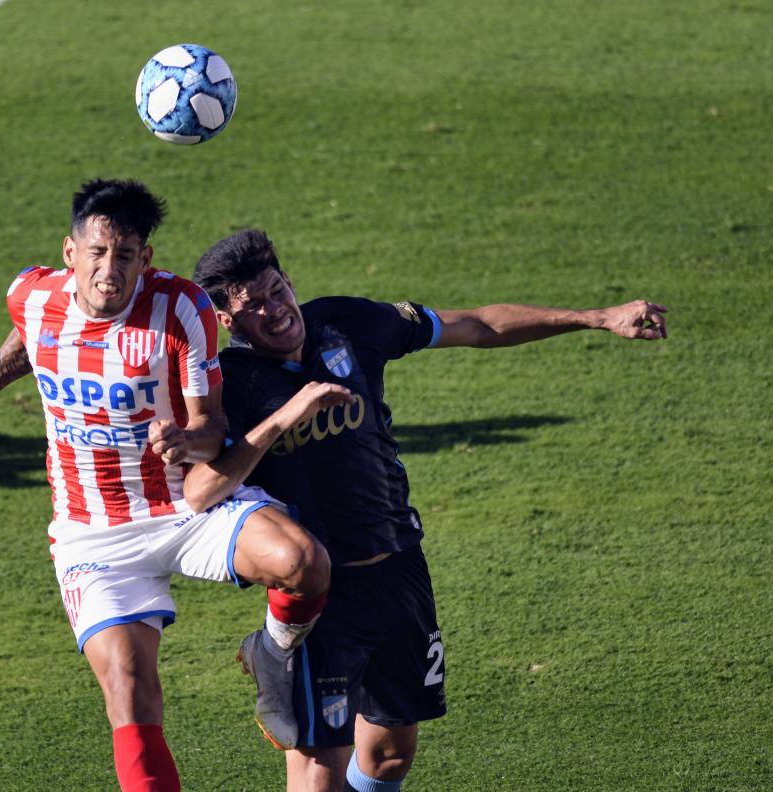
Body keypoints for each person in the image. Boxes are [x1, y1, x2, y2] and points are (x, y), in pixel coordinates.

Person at [185, 228, 668, 792]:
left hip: (400, 573)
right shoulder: (230, 382)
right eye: (253, 306)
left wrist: (598, 317)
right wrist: (284, 417)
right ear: (227, 320)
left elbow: (475, 324)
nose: (274, 310)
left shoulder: (346, 323)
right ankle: (273, 651)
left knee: (390, 755)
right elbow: (200, 491)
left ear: (289, 281)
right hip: (320, 597)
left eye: (276, 290)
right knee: (318, 770)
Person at [0, 181, 333, 792]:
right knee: (131, 695)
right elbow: (30, 336)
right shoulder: (31, 294)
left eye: (126, 255)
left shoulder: (180, 309)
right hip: (94, 533)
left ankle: (271, 652)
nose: (110, 269)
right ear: (70, 252)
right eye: (98, 252)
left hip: (184, 506)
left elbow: (212, 427)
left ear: (145, 258)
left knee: (304, 563)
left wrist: (187, 440)